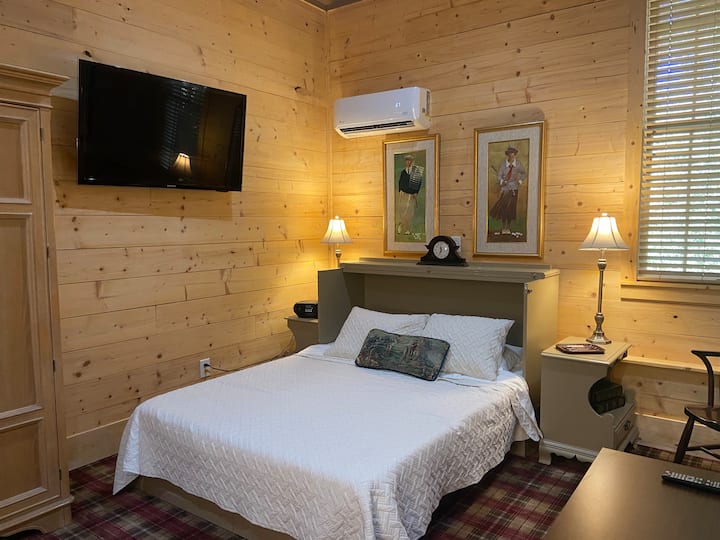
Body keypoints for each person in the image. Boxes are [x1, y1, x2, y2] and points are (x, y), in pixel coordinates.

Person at [489, 146, 527, 235]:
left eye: (513, 153)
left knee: (511, 209)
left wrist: (520, 181)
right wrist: (502, 181)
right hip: (505, 189)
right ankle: (503, 227)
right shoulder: (503, 164)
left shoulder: (518, 164)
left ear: (515, 154)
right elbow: (499, 176)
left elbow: (524, 173)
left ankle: (508, 227)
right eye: (510, 154)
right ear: (508, 155)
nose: (511, 155)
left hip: (514, 189)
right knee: (503, 208)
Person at [397, 154, 424, 235]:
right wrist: (400, 190)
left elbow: (418, 182)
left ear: (412, 161)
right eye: (407, 160)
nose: (408, 162)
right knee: (403, 210)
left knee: (409, 212)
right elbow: (400, 182)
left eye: (409, 160)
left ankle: (405, 227)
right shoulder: (403, 172)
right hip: (404, 194)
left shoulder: (416, 171)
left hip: (412, 195)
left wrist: (416, 192)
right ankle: (402, 226)